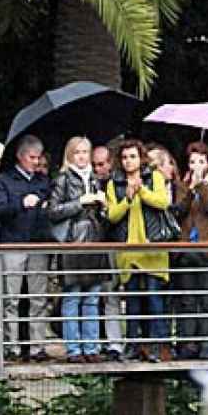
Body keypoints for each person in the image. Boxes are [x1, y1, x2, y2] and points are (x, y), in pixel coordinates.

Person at [107, 139, 171, 363]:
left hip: (152, 249)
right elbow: (112, 215)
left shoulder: (154, 177)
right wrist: (127, 198)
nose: (128, 161)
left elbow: (163, 202)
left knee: (154, 298)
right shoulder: (114, 183)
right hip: (129, 250)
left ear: (141, 157)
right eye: (124, 157)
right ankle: (133, 344)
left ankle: (156, 345)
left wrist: (141, 191)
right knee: (133, 300)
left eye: (132, 156)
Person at [48, 136, 108, 364]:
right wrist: (80, 202)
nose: (83, 157)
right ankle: (73, 348)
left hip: (94, 239)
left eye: (86, 152)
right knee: (72, 297)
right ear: (70, 155)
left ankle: (91, 347)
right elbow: (53, 211)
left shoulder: (95, 178)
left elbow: (104, 217)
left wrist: (103, 206)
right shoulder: (62, 179)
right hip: (73, 240)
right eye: (78, 152)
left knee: (92, 298)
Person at [0, 135, 52, 362]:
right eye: (31, 157)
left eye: (38, 158)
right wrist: (20, 203)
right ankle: (11, 346)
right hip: (13, 243)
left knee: (38, 298)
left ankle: (37, 346)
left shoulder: (43, 181)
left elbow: (51, 205)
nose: (35, 162)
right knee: (11, 298)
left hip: (38, 243)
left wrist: (43, 204)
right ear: (20, 156)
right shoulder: (4, 180)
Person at [171, 142, 208, 360]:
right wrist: (190, 189)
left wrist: (202, 186)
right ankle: (188, 344)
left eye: (201, 162)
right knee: (187, 299)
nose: (196, 165)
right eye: (192, 161)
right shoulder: (182, 186)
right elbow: (178, 211)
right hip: (186, 248)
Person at [91, 144, 125, 361]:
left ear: (111, 163)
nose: (98, 169)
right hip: (97, 244)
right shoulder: (91, 184)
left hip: (118, 242)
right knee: (101, 295)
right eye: (95, 165)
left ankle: (119, 343)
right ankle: (106, 342)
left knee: (116, 295)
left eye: (102, 164)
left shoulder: (119, 183)